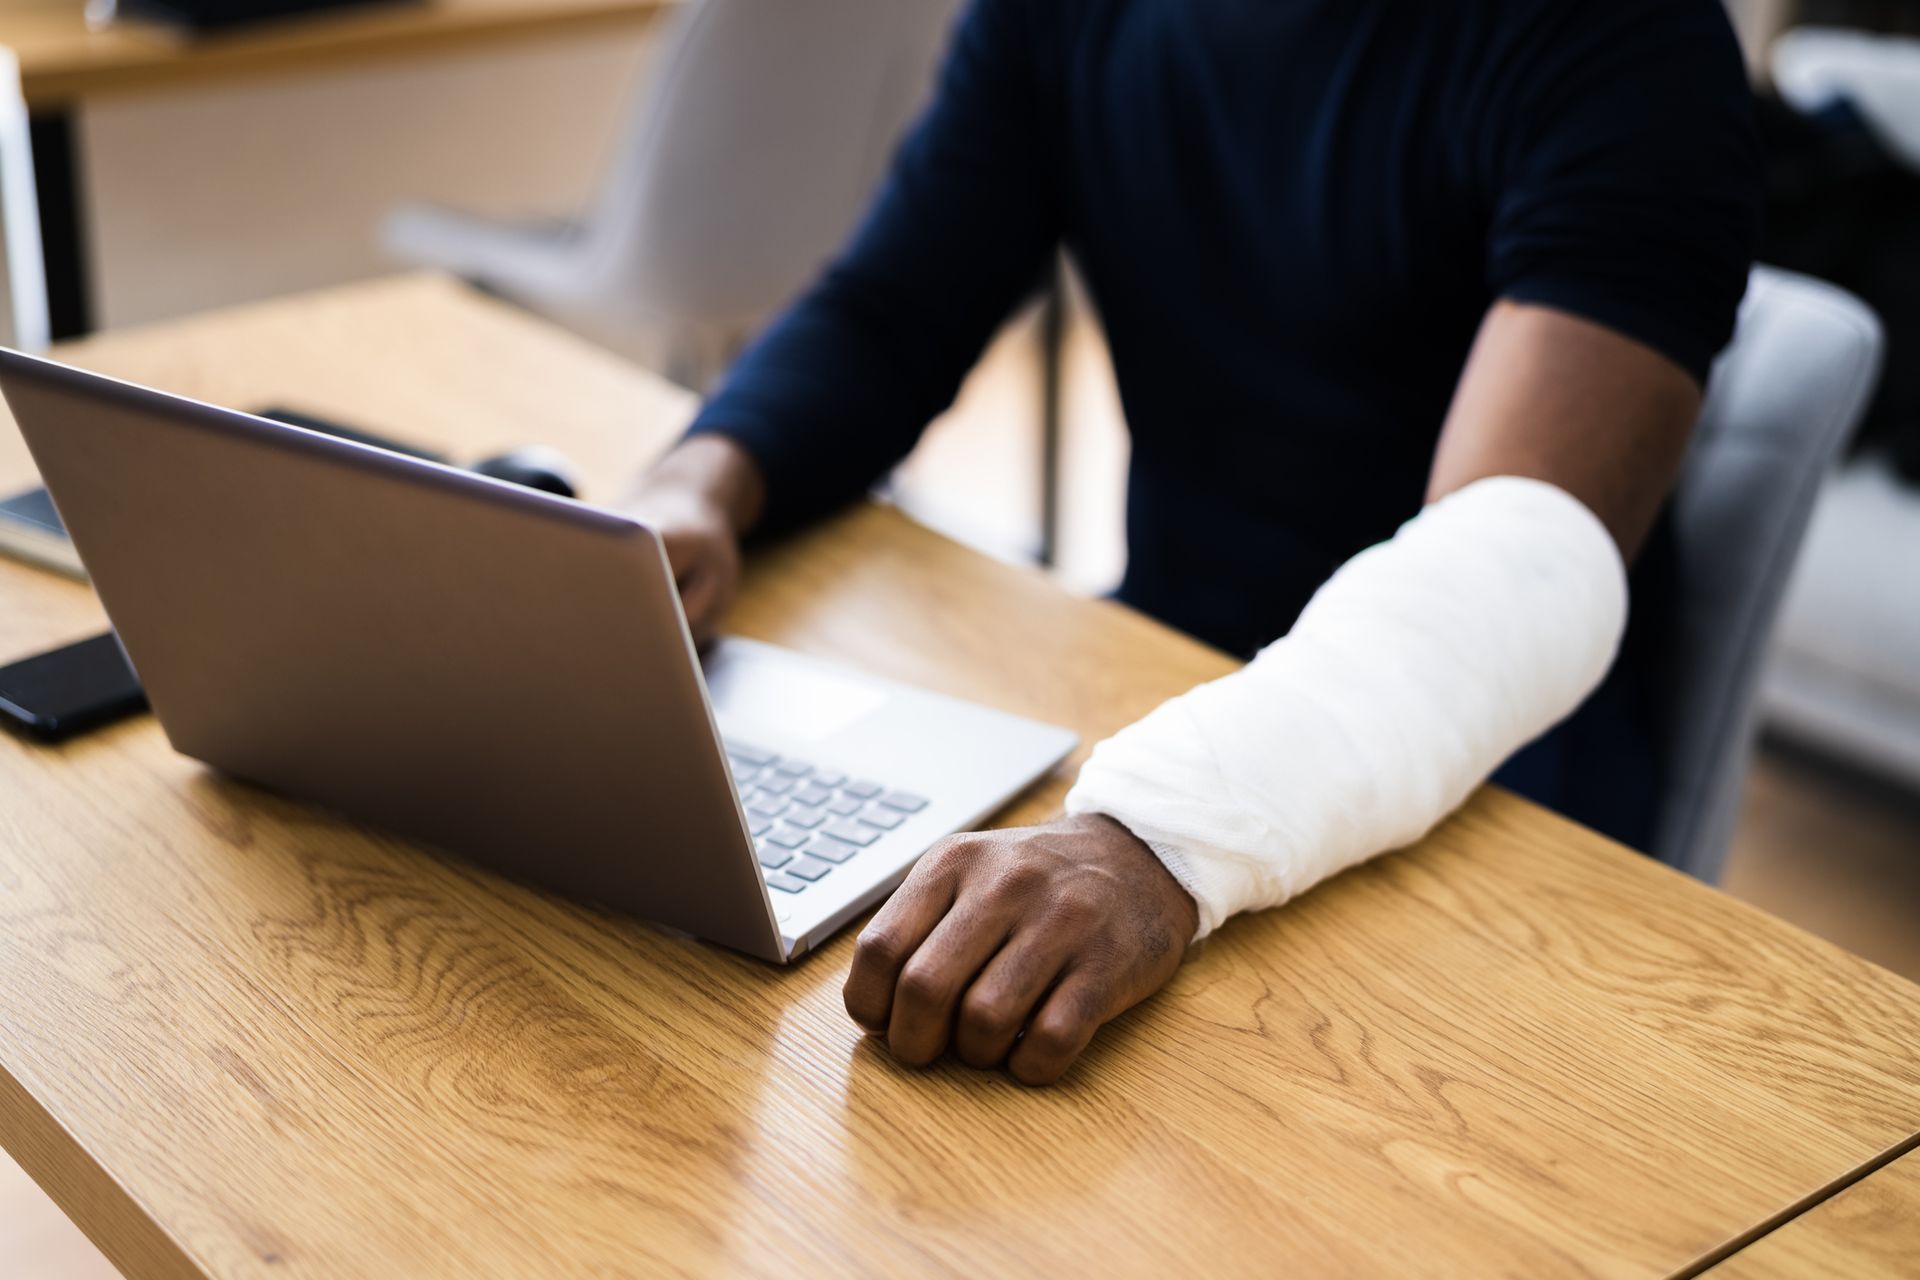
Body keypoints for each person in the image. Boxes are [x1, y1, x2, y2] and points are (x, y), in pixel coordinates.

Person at [624, 0, 1762, 1085]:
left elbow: (1519, 564)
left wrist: (1156, 832)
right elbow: (893, 310)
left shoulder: (1629, 35)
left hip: (1492, 784)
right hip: (1166, 683)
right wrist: (696, 488)